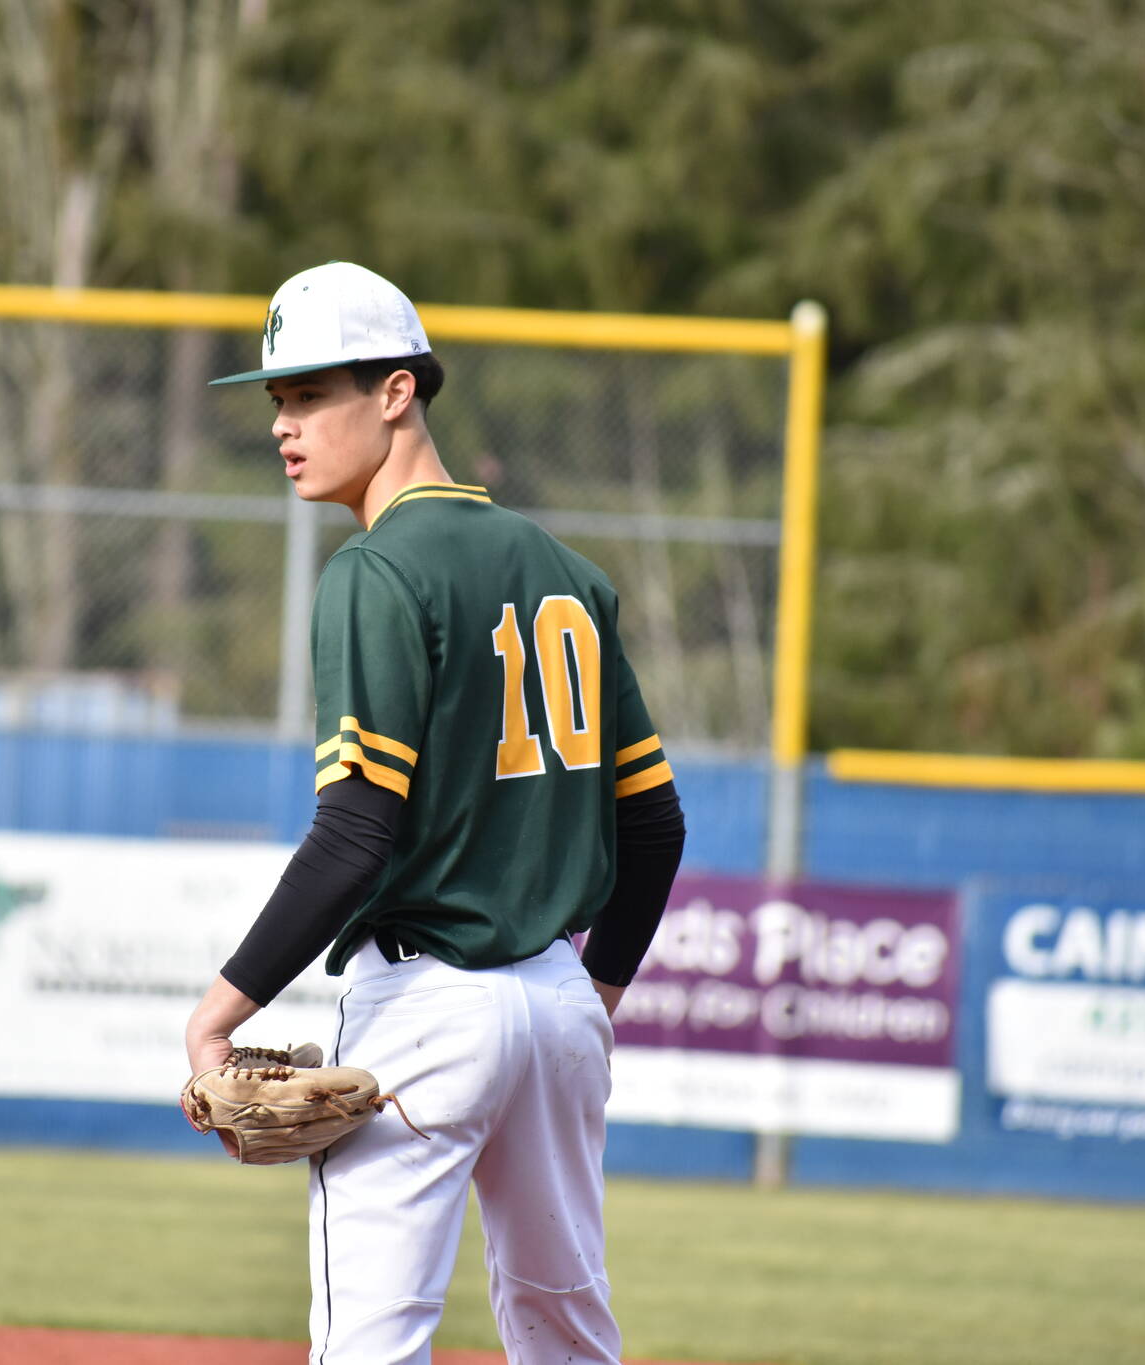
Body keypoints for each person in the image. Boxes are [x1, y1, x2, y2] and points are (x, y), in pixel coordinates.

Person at [183, 261, 686, 1365]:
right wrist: (588, 997)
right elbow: (652, 828)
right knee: (564, 1329)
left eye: (312, 393)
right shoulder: (567, 575)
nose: (285, 425)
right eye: (277, 400)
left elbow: (356, 834)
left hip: (423, 1007)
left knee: (370, 1343)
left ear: (398, 391)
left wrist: (219, 1014)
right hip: (555, 1012)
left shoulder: (375, 574)